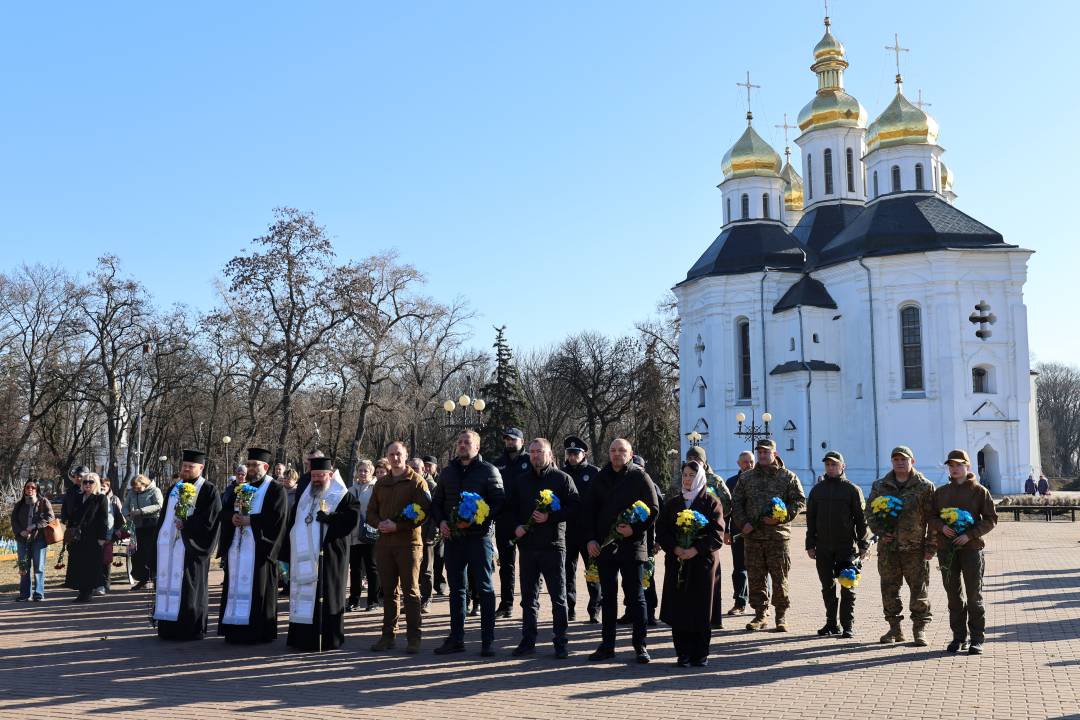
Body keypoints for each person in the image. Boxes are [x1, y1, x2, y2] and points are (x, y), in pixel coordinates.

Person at [586, 438, 660, 664]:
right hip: (606, 547)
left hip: (633, 546)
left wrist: (634, 529)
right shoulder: (600, 477)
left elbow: (653, 509)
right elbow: (588, 511)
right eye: (613, 450)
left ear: (630, 453)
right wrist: (591, 539)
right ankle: (607, 646)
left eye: (621, 450)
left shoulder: (640, 477)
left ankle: (640, 645)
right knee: (608, 598)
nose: (617, 454)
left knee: (636, 598)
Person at [431, 429, 505, 656]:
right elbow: (437, 502)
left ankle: (487, 641)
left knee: (485, 588)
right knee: (457, 590)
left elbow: (499, 502)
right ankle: (456, 639)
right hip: (453, 539)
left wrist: (480, 517)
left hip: (479, 539)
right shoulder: (447, 472)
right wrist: (442, 522)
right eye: (460, 442)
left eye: (467, 442)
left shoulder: (489, 471)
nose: (462, 445)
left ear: (477, 447)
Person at [509, 438, 580, 658]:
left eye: (540, 451)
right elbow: (510, 509)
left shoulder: (562, 479)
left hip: (553, 546)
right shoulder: (521, 481)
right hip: (528, 547)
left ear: (550, 454)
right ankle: (528, 641)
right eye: (532, 452)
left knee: (558, 598)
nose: (535, 455)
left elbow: (575, 507)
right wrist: (516, 527)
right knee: (528, 598)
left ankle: (561, 642)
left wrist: (551, 517)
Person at [285, 457, 359, 651]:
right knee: (302, 594)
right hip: (304, 556)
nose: (317, 479)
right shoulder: (306, 494)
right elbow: (294, 521)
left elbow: (352, 519)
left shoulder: (342, 495)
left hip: (329, 556)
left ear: (330, 475)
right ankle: (302, 638)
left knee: (328, 596)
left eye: (321, 475)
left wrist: (331, 518)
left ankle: (328, 639)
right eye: (314, 475)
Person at [732, 439, 806, 632]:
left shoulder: (787, 477)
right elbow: (736, 502)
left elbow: (799, 501)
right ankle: (760, 614)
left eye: (766, 452)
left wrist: (782, 518)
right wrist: (743, 523)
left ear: (775, 453)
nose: (763, 455)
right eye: (760, 452)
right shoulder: (747, 477)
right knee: (756, 578)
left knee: (779, 578)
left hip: (777, 537)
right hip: (753, 537)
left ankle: (781, 616)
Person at [929, 450, 998, 655]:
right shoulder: (941, 492)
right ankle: (958, 637)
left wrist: (970, 535)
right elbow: (931, 516)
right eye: (951, 465)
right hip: (946, 549)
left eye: (959, 465)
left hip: (971, 549)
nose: (955, 469)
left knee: (974, 594)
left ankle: (977, 639)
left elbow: (991, 519)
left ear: (968, 466)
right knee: (953, 595)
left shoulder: (979, 491)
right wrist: (942, 527)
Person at [657, 461, 724, 667]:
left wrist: (695, 549)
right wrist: (675, 548)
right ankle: (683, 653)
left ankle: (700, 653)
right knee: (680, 607)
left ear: (700, 477)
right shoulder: (674, 503)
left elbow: (717, 534)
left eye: (692, 475)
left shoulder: (711, 502)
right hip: (678, 562)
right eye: (685, 475)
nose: (687, 479)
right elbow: (662, 531)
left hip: (702, 563)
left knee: (701, 607)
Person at [866, 446, 935, 646]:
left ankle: (919, 630)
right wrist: (880, 532)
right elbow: (869, 512)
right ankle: (894, 629)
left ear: (912, 461)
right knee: (889, 590)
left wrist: (931, 546)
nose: (900, 463)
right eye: (896, 459)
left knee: (919, 591)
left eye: (903, 459)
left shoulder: (924, 486)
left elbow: (933, 519)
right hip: (888, 549)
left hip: (915, 549)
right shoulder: (880, 486)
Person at [218, 447, 288, 644]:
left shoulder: (275, 489)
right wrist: (232, 517)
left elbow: (278, 519)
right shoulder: (240, 488)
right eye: (248, 464)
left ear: (265, 467)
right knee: (234, 588)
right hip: (237, 549)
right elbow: (224, 511)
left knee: (258, 591)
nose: (250, 468)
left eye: (254, 465)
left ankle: (257, 632)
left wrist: (251, 521)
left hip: (260, 550)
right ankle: (234, 630)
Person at [367, 442, 432, 654]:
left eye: (398, 454)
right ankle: (388, 636)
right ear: (387, 456)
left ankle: (414, 638)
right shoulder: (381, 483)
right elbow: (370, 512)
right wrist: (379, 524)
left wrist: (398, 526)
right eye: (391, 454)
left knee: (411, 592)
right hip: (385, 545)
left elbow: (424, 512)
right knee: (388, 592)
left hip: (409, 545)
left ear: (406, 455)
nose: (395, 458)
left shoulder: (417, 481)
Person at [152, 449, 223, 640]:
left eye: (190, 466)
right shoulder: (174, 489)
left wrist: (187, 525)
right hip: (169, 548)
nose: (186, 469)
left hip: (191, 548)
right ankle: (168, 628)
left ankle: (191, 629)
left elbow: (211, 520)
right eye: (184, 466)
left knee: (190, 588)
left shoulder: (208, 490)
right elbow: (163, 518)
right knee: (167, 584)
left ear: (201, 468)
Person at [805, 451, 869, 639]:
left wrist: (863, 544)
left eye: (834, 464)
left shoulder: (852, 490)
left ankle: (848, 625)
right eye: (828, 465)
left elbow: (861, 520)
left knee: (847, 585)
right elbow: (811, 519)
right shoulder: (817, 490)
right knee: (827, 586)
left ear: (842, 466)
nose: (830, 467)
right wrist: (810, 544)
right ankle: (831, 624)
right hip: (823, 547)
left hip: (845, 547)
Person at [685, 446, 733, 629]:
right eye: (690, 458)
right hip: (686, 534)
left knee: (711, 579)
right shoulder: (682, 477)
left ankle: (713, 618)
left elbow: (727, 504)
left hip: (708, 536)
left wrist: (713, 516)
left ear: (704, 462)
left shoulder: (715, 480)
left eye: (697, 459)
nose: (693, 462)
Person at [562, 435, 601, 623]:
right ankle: (569, 609)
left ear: (583, 454)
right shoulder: (561, 474)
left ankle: (594, 609)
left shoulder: (594, 473)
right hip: (567, 531)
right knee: (567, 572)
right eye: (569, 453)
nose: (572, 457)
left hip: (588, 532)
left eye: (575, 453)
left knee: (592, 572)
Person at [494, 427, 529, 619]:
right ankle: (506, 605)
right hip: (504, 521)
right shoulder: (498, 464)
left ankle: (529, 604)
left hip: (526, 521)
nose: (509, 442)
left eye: (513, 439)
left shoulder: (530, 461)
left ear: (522, 442)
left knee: (528, 564)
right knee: (506, 566)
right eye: (507, 439)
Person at [64, 473, 110, 602]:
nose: (87, 484)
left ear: (96, 483)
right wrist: (69, 531)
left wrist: (102, 538)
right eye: (85, 482)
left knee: (90, 565)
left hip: (93, 537)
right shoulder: (78, 497)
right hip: (78, 537)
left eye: (91, 482)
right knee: (78, 564)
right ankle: (81, 591)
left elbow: (103, 519)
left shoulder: (100, 498)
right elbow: (72, 515)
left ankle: (87, 592)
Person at [12, 480, 54, 601]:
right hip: (22, 540)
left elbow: (50, 517)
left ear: (37, 489)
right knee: (24, 567)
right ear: (24, 489)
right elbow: (14, 520)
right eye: (27, 487)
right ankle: (25, 594)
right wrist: (21, 531)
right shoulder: (19, 504)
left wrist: (35, 526)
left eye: (33, 487)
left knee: (39, 567)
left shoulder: (43, 501)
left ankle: (39, 594)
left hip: (39, 540)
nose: (30, 489)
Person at [347, 459, 380, 612]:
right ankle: (354, 600)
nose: (362, 473)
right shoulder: (350, 490)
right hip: (353, 534)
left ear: (371, 472)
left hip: (370, 532)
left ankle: (373, 601)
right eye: (360, 470)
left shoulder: (376, 488)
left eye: (366, 470)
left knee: (372, 567)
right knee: (355, 568)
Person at [724, 451, 754, 615]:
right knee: (739, 568)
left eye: (751, 462)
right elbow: (727, 510)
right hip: (737, 531)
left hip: (758, 532)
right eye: (745, 462)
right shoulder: (731, 482)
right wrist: (726, 531)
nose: (749, 465)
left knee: (761, 568)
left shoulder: (760, 480)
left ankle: (762, 604)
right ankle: (740, 602)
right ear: (738, 463)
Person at [124, 473, 163, 592]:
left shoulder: (155, 491)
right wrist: (127, 514)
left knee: (152, 552)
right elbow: (125, 506)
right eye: (134, 488)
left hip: (153, 525)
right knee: (139, 553)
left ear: (145, 484)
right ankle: (143, 578)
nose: (136, 490)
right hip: (138, 525)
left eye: (138, 488)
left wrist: (141, 511)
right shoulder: (132, 493)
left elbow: (159, 505)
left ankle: (155, 578)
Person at [409, 456, 439, 612]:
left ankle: (426, 600)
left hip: (426, 533)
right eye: (411, 468)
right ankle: (412, 600)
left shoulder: (431, 486)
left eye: (416, 468)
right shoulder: (407, 483)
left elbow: (435, 511)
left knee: (426, 569)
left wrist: (432, 533)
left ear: (424, 469)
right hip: (410, 533)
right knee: (411, 568)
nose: (413, 471)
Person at [423, 455, 447, 596]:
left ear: (435, 467)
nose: (427, 468)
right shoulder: (422, 480)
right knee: (428, 558)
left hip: (439, 524)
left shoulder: (440, 480)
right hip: (427, 525)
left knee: (439, 557)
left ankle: (439, 583)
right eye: (425, 465)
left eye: (429, 465)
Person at [98, 478, 127, 595]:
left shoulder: (114, 501)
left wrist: (117, 531)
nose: (101, 488)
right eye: (100, 486)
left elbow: (120, 519)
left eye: (104, 486)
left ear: (108, 487)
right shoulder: (94, 500)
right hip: (96, 536)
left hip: (109, 536)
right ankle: (96, 583)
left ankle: (105, 583)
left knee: (106, 560)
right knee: (96, 561)